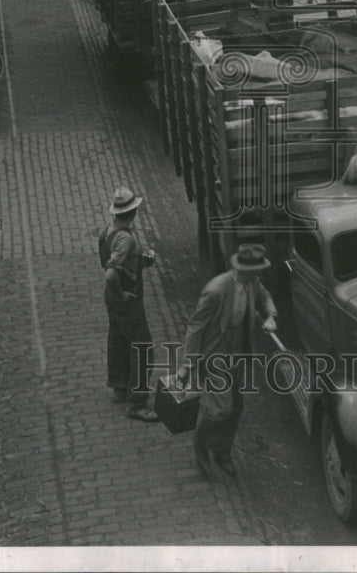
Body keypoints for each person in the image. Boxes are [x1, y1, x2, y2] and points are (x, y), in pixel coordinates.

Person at [177, 244, 277, 477]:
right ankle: (202, 454)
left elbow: (264, 296)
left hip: (239, 353)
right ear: (243, 269)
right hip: (215, 355)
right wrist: (186, 364)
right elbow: (195, 327)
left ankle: (222, 453)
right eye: (257, 270)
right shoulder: (216, 290)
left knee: (235, 407)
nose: (260, 274)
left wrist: (270, 316)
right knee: (218, 411)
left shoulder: (252, 282)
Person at [99, 187, 159, 423]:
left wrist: (141, 261)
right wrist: (123, 294)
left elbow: (116, 263)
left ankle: (120, 384)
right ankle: (137, 403)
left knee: (118, 339)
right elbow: (111, 273)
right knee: (143, 349)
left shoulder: (107, 232)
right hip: (126, 300)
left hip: (111, 299)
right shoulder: (125, 239)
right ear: (132, 211)